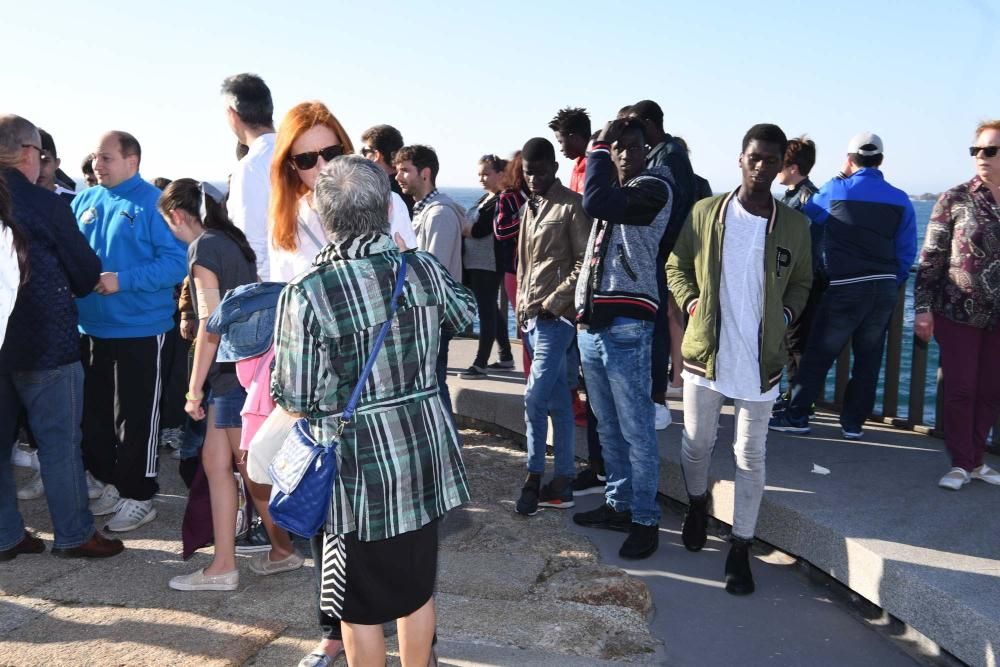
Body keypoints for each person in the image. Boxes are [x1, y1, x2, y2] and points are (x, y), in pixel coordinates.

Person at [272, 156, 475, 667]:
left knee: (357, 609)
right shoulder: (422, 269)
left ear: (322, 217)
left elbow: (295, 396)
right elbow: (467, 315)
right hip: (422, 455)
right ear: (388, 208)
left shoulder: (308, 292)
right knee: (416, 588)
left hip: (356, 475)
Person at [666, 123, 812, 595]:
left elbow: (804, 282)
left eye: (772, 160)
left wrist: (785, 313)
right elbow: (676, 264)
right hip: (707, 354)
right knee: (695, 445)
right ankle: (695, 503)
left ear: (780, 164)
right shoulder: (707, 212)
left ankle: (741, 545)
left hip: (760, 361)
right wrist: (691, 304)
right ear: (740, 158)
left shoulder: (794, 225)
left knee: (750, 455)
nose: (762, 167)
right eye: (755, 157)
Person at [156, 179, 301, 590]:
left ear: (178, 215)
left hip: (229, 376)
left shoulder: (203, 248)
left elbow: (210, 323)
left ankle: (279, 549)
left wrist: (192, 389)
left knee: (249, 470)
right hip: (247, 371)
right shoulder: (231, 240)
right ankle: (229, 563)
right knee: (218, 465)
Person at [0, 114, 124, 560]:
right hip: (45, 344)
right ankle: (73, 534)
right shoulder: (45, 204)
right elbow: (85, 270)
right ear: (30, 154)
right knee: (59, 446)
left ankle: (6, 536)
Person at [72, 130, 188, 532]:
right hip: (90, 328)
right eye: (94, 158)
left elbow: (178, 263)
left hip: (141, 328)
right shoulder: (84, 200)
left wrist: (123, 279)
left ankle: (139, 495)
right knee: (95, 418)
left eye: (106, 158)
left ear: (132, 161)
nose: (97, 165)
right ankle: (111, 482)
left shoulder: (155, 204)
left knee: (136, 419)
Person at [769, 132, 917, 440]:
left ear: (849, 160)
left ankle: (797, 415)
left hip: (846, 285)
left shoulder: (836, 189)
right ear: (881, 160)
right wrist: (894, 279)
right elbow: (906, 250)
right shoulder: (901, 198)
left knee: (819, 354)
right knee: (869, 357)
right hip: (885, 287)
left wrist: (841, 175)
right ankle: (853, 424)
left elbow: (806, 217)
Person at [571, 118, 672, 559]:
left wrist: (596, 147)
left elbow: (595, 200)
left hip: (628, 322)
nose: (626, 154)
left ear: (647, 149)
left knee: (636, 429)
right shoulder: (619, 190)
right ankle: (619, 503)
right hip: (593, 323)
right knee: (607, 424)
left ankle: (646, 519)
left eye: (633, 147)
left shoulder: (655, 187)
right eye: (619, 148)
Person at [914, 120, 1000, 490]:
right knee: (962, 389)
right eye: (977, 150)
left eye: (991, 150)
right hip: (958, 311)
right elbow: (931, 257)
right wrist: (922, 308)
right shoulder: (955, 199)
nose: (981, 156)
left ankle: (977, 459)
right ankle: (961, 463)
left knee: (991, 391)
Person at [513, 137, 591, 516]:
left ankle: (532, 476)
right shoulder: (532, 206)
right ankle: (562, 482)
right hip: (532, 320)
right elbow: (524, 266)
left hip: (555, 320)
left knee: (534, 398)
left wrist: (552, 302)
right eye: (529, 173)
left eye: (541, 172)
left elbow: (583, 263)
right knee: (560, 402)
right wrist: (520, 310)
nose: (534, 179)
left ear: (554, 168)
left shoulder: (572, 206)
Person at [270, 102, 415, 282]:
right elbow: (280, 293)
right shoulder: (285, 222)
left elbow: (415, 282)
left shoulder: (387, 202)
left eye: (331, 153)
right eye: (306, 159)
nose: (323, 166)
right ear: (290, 164)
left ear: (344, 150)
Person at [630, 100, 698, 431]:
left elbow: (672, 208)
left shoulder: (669, 157)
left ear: (647, 122)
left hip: (664, 255)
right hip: (663, 253)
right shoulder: (665, 153)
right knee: (659, 324)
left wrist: (658, 245)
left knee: (659, 327)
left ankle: (657, 399)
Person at [395, 144, 465, 416]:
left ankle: (449, 451)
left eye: (404, 170)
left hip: (433, 316)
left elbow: (432, 272)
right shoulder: (426, 211)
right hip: (428, 315)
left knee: (434, 386)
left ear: (425, 173)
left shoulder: (438, 215)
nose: (399, 176)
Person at [775, 136, 822, 391]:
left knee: (797, 344)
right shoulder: (796, 196)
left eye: (780, 164)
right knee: (791, 343)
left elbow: (808, 246)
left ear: (793, 168)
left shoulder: (807, 200)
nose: (775, 170)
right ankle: (793, 398)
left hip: (802, 283)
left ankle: (800, 402)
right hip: (792, 282)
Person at [461, 154, 513, 378]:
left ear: (501, 174)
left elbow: (479, 230)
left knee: (486, 312)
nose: (481, 178)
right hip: (476, 262)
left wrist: (465, 228)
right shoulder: (486, 198)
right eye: (480, 173)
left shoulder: (499, 200)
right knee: (491, 307)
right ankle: (506, 355)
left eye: (486, 173)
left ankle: (480, 362)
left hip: (487, 263)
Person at [221, 73, 275, 281]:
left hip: (282, 290)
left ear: (232, 114)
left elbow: (251, 245)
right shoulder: (301, 153)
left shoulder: (251, 167)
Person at [360, 124, 414, 216]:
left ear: (376, 155)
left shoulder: (379, 194)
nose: (363, 157)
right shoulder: (412, 190)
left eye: (365, 152)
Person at [549, 107, 591, 194]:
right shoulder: (578, 166)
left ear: (574, 138)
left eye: (560, 142)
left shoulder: (597, 165)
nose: (560, 149)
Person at [36, 129, 75, 203]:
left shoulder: (74, 201)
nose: (39, 169)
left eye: (45, 161)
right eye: (34, 161)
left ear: (57, 163)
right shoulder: (12, 201)